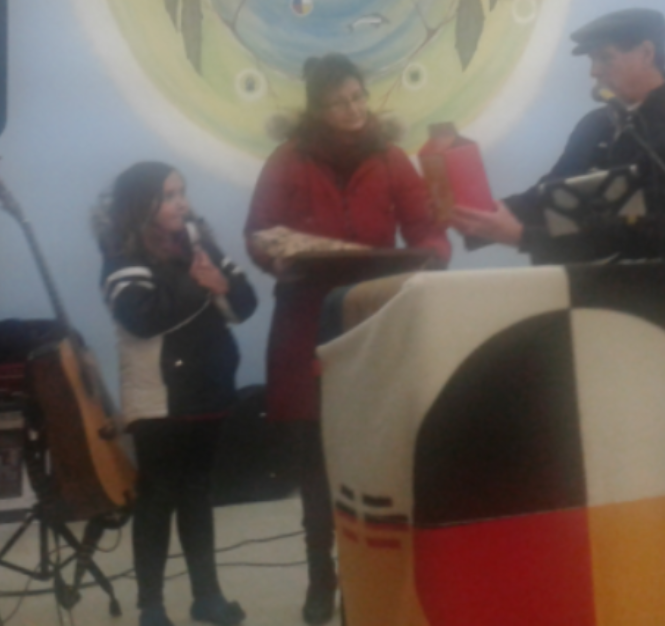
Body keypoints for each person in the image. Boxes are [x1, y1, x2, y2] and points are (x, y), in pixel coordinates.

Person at [244, 53, 451, 624]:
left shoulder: (390, 158)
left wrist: (430, 256)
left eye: (359, 97)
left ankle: (382, 573)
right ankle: (320, 576)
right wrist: (277, 253)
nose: (354, 110)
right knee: (316, 459)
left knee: (384, 450)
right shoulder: (288, 159)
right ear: (318, 106)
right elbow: (258, 234)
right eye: (339, 102)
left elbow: (429, 229)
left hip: (376, 317)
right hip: (307, 322)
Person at [94, 162, 257, 626]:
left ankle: (207, 597)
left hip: (210, 389)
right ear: (139, 205)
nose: (181, 203)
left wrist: (220, 283)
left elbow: (243, 304)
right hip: (159, 399)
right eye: (168, 195)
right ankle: (151, 606)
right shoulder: (120, 254)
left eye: (181, 192)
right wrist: (196, 281)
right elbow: (141, 318)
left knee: (197, 495)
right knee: (157, 497)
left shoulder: (198, 242)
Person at [452, 8, 665, 264]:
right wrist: (479, 215)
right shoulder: (596, 124)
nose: (594, 71)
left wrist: (524, 237)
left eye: (605, 57)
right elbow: (552, 193)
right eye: (592, 60)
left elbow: (653, 237)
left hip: (647, 296)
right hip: (581, 283)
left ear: (646, 53)